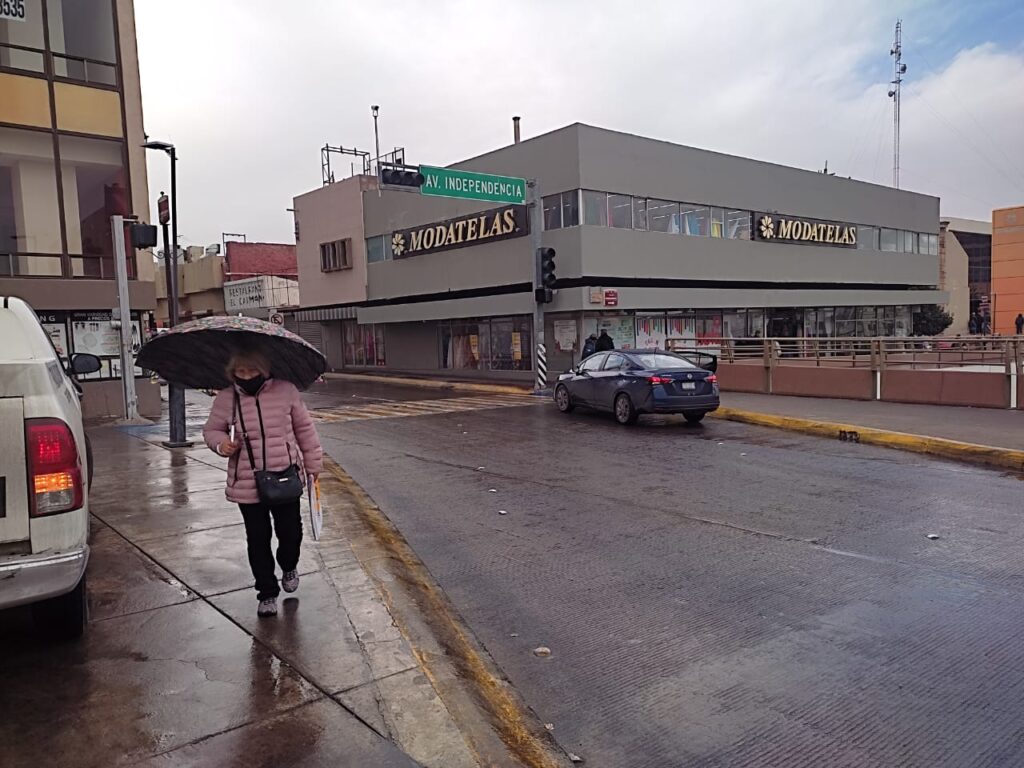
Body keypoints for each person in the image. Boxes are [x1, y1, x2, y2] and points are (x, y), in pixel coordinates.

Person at [203, 351, 323, 618]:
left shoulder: (286, 391)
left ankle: (288, 565)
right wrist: (222, 444)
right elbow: (212, 430)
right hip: (247, 481)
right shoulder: (227, 398)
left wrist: (313, 465)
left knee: (290, 533)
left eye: (251, 371)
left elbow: (305, 429)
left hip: (285, 476)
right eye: (240, 373)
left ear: (265, 369)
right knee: (258, 539)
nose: (246, 377)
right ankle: (266, 592)